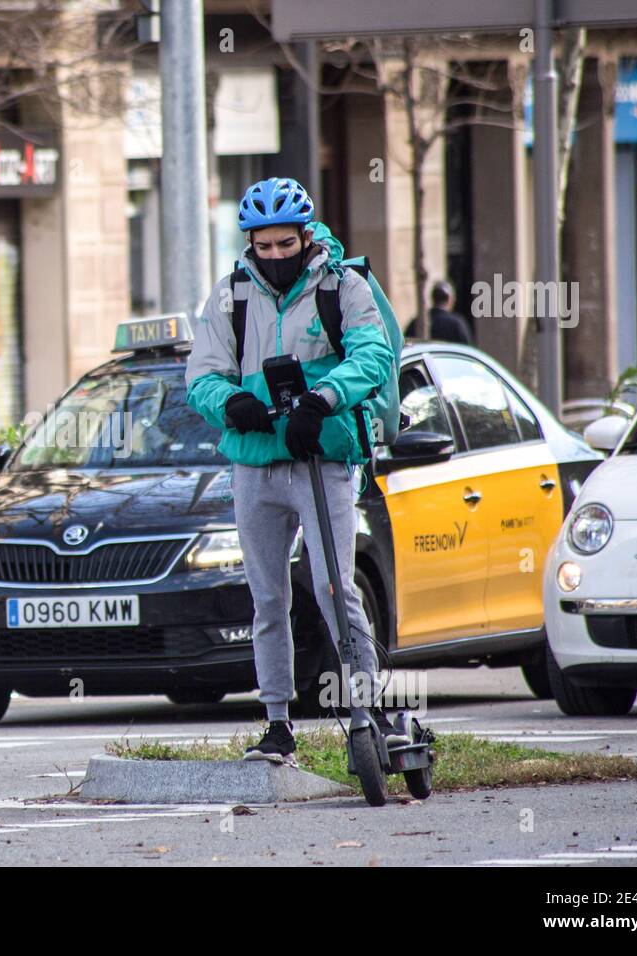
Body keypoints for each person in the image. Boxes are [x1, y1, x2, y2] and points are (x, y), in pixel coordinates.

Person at [185, 177, 393, 764]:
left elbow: (372, 355)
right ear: (249, 244)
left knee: (334, 587)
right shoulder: (230, 296)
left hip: (321, 460)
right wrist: (229, 403)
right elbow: (200, 375)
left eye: (285, 244)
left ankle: (363, 714)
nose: (275, 256)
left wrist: (323, 399)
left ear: (305, 236)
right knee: (268, 600)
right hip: (256, 465)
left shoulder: (342, 285)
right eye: (264, 246)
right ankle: (277, 724)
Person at [405, 280, 472, 344]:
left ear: (432, 298)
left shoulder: (417, 322)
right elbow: (467, 349)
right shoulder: (457, 324)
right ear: (450, 299)